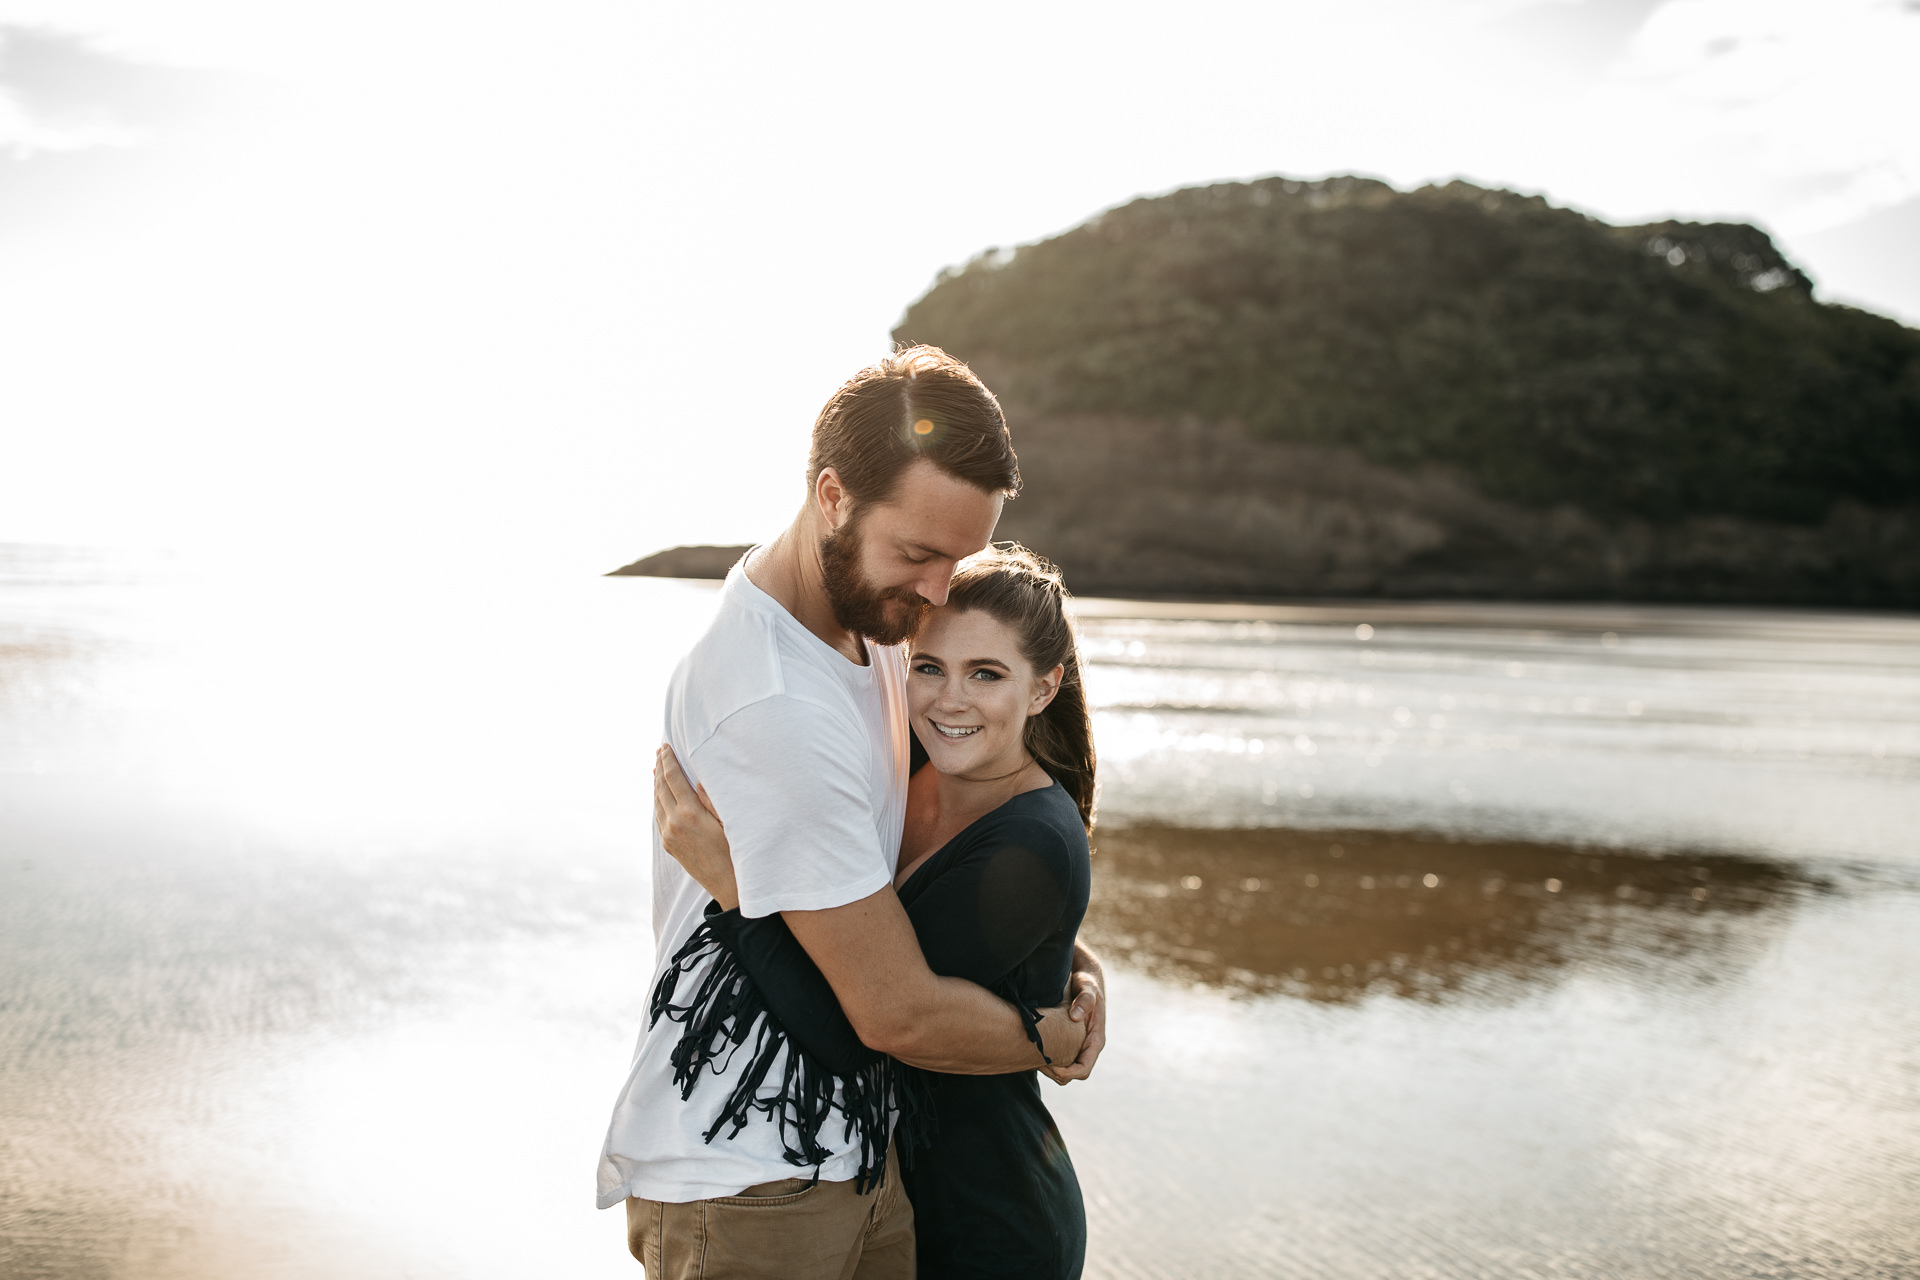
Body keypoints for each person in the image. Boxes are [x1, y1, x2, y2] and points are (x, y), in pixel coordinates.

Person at [595, 347, 1107, 1280]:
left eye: (958, 558)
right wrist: (1047, 1035)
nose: (940, 594)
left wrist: (1062, 954)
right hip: (752, 1174)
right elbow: (895, 1013)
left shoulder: (876, 628)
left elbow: (928, 873)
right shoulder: (775, 705)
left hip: (860, 1151)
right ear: (832, 497)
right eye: (919, 554)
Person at [653, 544, 1097, 1280]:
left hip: (986, 1216)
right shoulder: (913, 763)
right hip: (885, 1188)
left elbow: (857, 1030)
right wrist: (1076, 972)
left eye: (986, 674)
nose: (948, 701)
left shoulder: (1034, 841)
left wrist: (737, 890)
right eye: (928, 667)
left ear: (1044, 689)